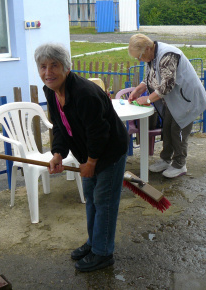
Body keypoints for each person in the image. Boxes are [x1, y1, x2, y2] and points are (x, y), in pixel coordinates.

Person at [34, 43, 129, 272]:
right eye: (43, 66)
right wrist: (58, 153)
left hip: (108, 152)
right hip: (87, 154)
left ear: (67, 68)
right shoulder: (51, 90)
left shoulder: (85, 94)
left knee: (104, 202)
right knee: (91, 200)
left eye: (54, 66)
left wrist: (92, 162)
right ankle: (95, 241)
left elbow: (99, 133)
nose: (48, 72)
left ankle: (103, 253)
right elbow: (60, 125)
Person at [127, 34, 206, 178]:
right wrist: (139, 89)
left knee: (178, 130)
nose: (139, 60)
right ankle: (165, 159)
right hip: (174, 99)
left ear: (147, 48)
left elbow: (166, 86)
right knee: (168, 127)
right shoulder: (151, 55)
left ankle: (179, 164)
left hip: (187, 98)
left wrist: (147, 99)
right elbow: (150, 77)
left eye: (139, 56)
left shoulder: (168, 55)